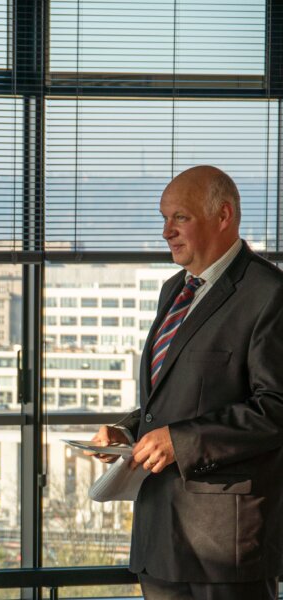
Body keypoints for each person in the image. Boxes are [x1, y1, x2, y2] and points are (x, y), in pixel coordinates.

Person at [88, 166, 283, 599]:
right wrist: (129, 432)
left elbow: (275, 408)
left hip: (225, 546)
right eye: (164, 218)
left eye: (180, 217)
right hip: (159, 539)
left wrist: (181, 442)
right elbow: (177, 395)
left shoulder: (269, 293)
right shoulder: (173, 290)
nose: (166, 232)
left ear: (223, 215)